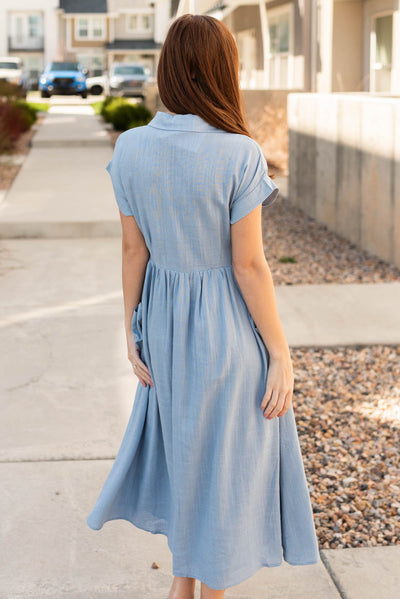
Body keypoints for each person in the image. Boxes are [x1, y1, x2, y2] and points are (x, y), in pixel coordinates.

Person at [86, 13, 320, 599]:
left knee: (188, 460)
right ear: (222, 72)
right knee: (226, 476)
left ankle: (183, 588)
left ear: (167, 69)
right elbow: (248, 266)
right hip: (227, 334)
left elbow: (132, 249)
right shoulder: (239, 154)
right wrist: (281, 353)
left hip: (163, 325)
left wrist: (133, 329)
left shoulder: (132, 147)